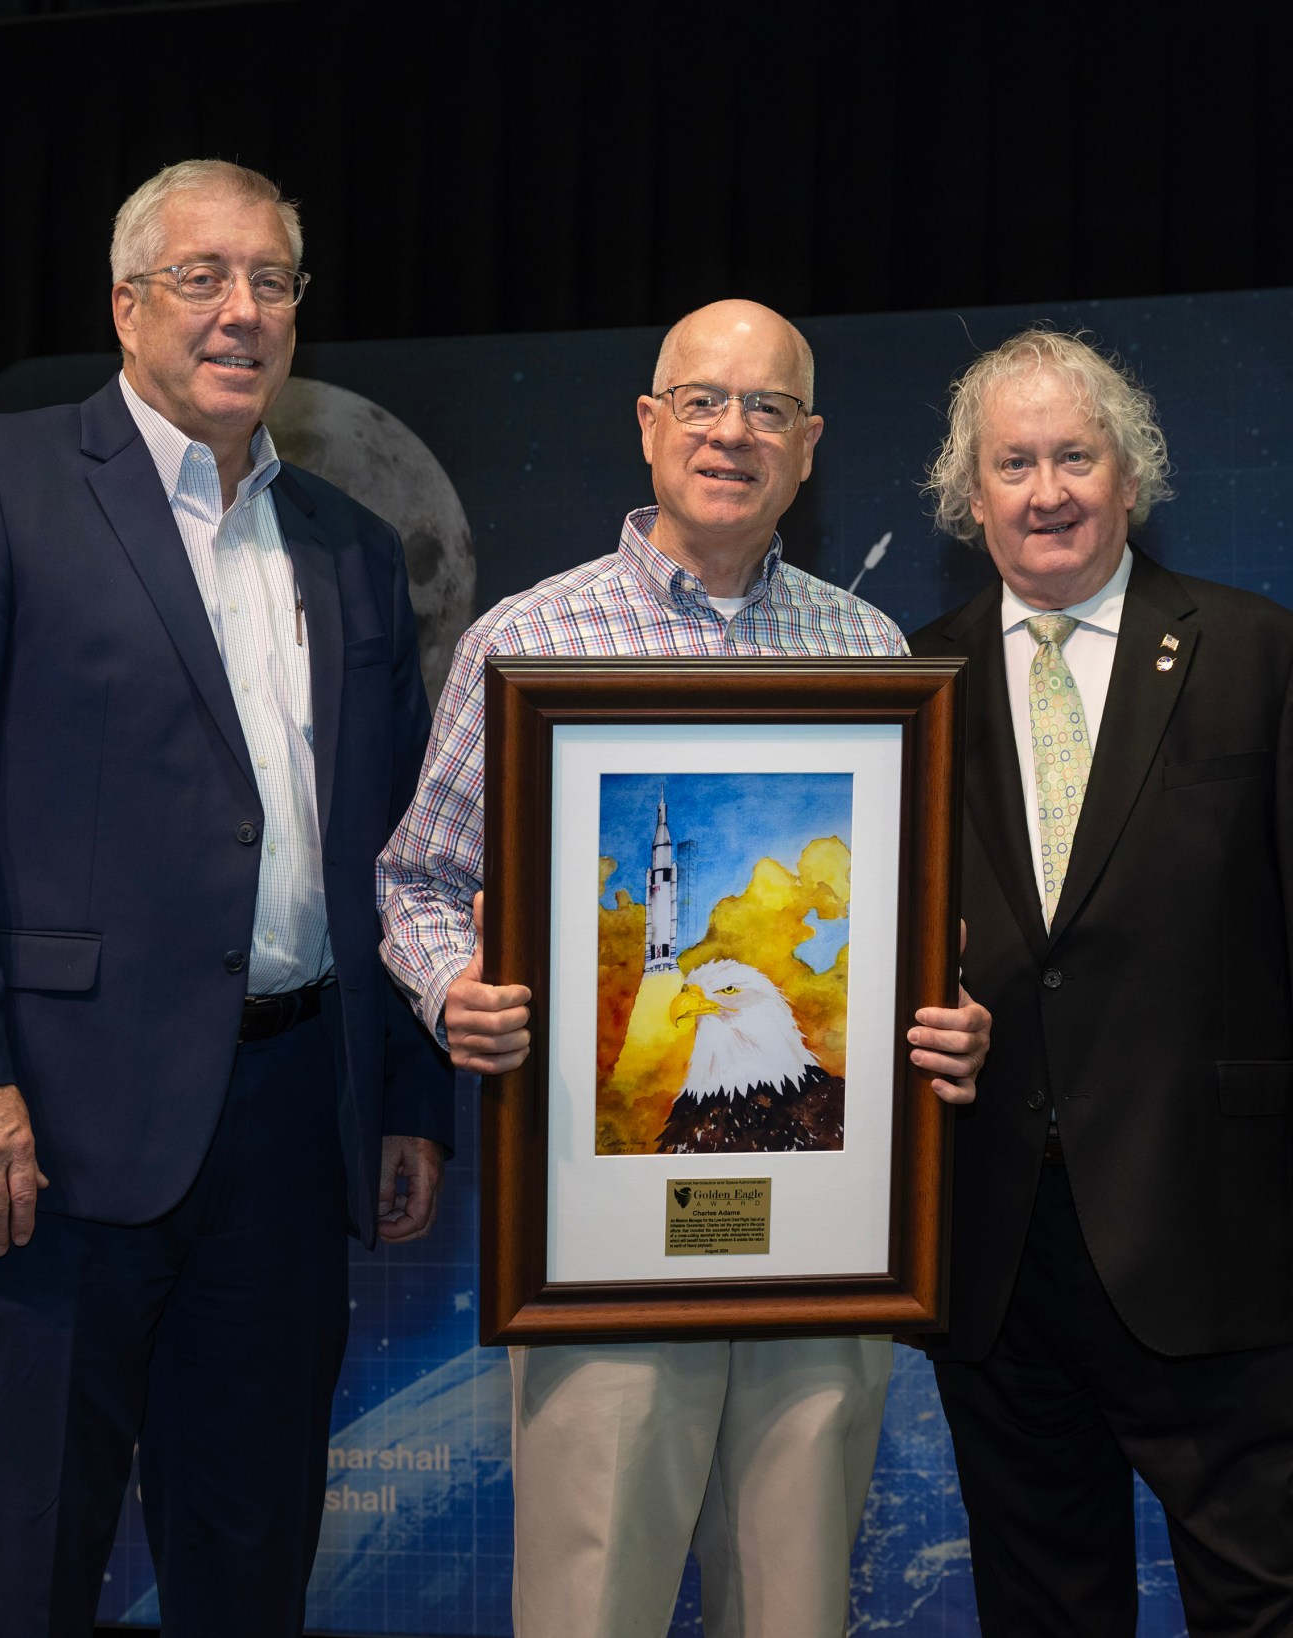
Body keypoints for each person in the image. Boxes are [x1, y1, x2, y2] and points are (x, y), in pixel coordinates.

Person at [0, 160, 452, 1638]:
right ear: (125, 304)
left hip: (292, 1132)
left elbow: (405, 843)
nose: (242, 312)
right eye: (204, 276)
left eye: (274, 282)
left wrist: (409, 1093)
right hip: (38, 1137)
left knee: (248, 1575)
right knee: (27, 1575)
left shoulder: (357, 553)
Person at [378, 298, 991, 1638]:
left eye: (767, 409)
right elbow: (417, 882)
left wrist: (939, 1015)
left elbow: (916, 929)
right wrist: (453, 993)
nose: (732, 432)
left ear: (811, 444)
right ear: (650, 424)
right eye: (702, 402)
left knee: (797, 1613)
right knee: (593, 1608)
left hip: (827, 1249)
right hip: (599, 1243)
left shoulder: (874, 653)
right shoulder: (521, 643)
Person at [910, 326, 1293, 1635]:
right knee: (1041, 1600)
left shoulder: (1264, 655)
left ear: (1129, 474)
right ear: (972, 498)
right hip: (991, 1241)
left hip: (1218, 1228)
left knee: (1269, 1594)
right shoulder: (912, 681)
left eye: (1074, 455)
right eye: (1014, 463)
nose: (1047, 491)